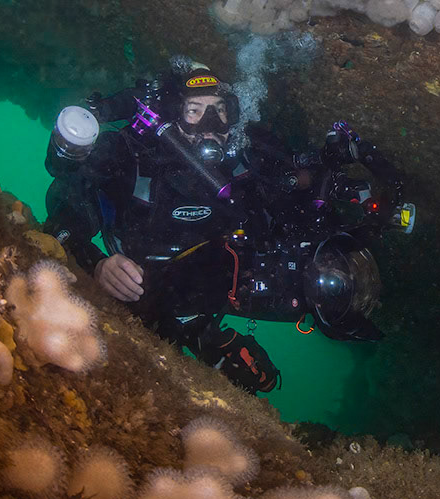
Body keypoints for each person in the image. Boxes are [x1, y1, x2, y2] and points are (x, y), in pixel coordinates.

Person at [41, 55, 408, 394]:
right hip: (145, 278)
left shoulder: (244, 162)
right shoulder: (127, 156)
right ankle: (204, 339)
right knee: (149, 315)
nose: (212, 125)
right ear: (172, 114)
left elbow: (292, 197)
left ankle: (205, 335)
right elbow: (63, 215)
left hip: (211, 275)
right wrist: (97, 265)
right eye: (195, 111)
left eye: (221, 111)